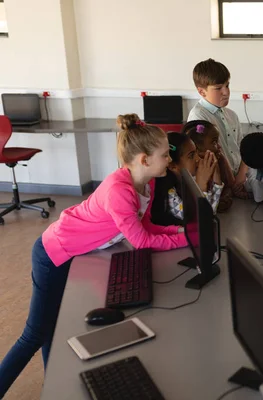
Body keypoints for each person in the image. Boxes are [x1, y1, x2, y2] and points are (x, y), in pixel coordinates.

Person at [0, 114, 188, 397]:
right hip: (53, 254)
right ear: (144, 159)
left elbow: (145, 225)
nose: (169, 159)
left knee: (53, 326)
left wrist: (179, 230)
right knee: (36, 333)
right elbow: (140, 241)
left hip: (72, 252)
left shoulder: (145, 184)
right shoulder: (119, 191)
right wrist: (185, 239)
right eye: (165, 154)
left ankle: (51, 386)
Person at [187, 58, 248, 189]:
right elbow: (206, 157)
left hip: (240, 179)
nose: (226, 92)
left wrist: (241, 177)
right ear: (202, 91)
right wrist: (232, 183)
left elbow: (242, 149)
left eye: (227, 85)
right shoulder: (198, 117)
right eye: (218, 88)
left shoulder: (232, 115)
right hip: (219, 184)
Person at [151, 131, 223, 226]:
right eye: (192, 155)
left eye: (197, 152)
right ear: (172, 166)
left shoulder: (189, 178)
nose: (198, 159)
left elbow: (210, 212)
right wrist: (200, 187)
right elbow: (200, 219)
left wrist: (216, 180)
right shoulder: (169, 192)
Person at [184, 120, 237, 210]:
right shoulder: (190, 173)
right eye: (214, 142)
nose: (219, 147)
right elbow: (203, 210)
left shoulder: (216, 163)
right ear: (198, 150)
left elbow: (230, 186)